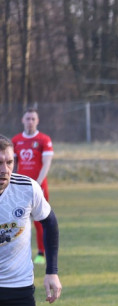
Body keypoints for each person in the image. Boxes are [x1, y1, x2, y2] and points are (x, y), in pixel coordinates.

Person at [0, 135, 62, 306]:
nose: (5, 169)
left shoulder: (27, 188)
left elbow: (50, 223)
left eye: (9, 162)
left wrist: (52, 271)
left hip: (18, 286)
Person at [11, 108, 54, 265]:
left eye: (33, 119)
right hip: (19, 188)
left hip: (39, 187)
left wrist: (37, 183)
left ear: (37, 121)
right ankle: (18, 253)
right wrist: (12, 183)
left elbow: (46, 163)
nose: (30, 121)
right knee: (18, 219)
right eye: (27, 118)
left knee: (40, 220)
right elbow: (12, 165)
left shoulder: (44, 139)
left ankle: (41, 253)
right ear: (23, 120)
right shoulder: (15, 141)